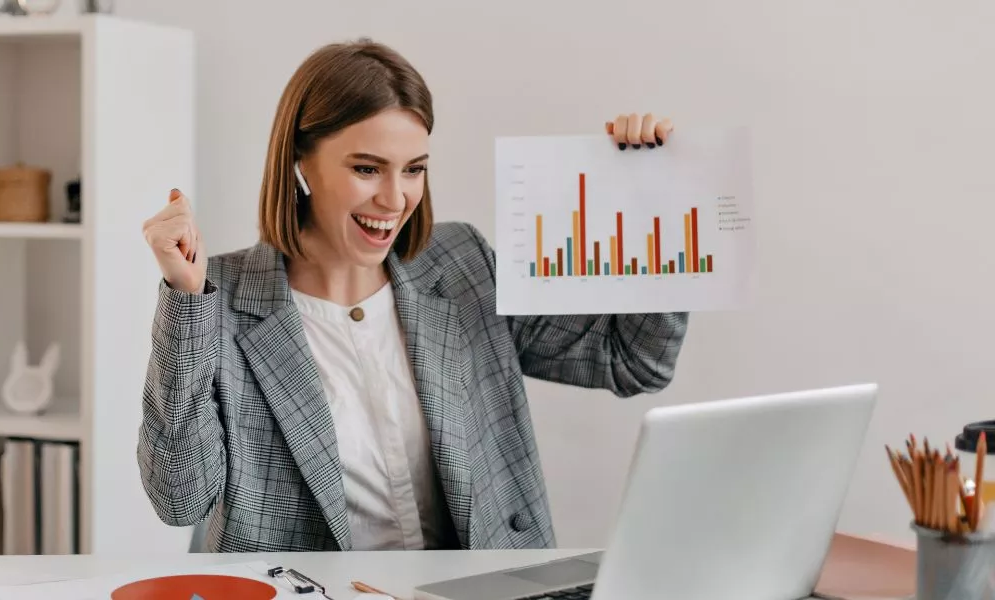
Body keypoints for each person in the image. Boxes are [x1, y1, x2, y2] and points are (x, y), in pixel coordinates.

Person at [138, 38, 689, 553]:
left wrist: (648, 209)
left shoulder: (462, 264)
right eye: (366, 168)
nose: (394, 198)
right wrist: (185, 299)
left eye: (414, 170)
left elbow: (635, 362)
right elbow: (179, 497)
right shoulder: (222, 299)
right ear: (300, 163)